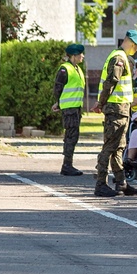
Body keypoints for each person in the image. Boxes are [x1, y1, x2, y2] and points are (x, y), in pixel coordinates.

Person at [91, 30, 137, 198]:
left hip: (120, 108)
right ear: (130, 42)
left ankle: (121, 183)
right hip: (116, 108)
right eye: (136, 47)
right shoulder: (119, 58)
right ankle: (101, 183)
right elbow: (111, 82)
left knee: (119, 147)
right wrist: (101, 102)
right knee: (110, 146)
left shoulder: (120, 57)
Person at [52, 43, 86, 176]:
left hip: (75, 108)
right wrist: (59, 103)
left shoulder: (77, 69)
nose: (82, 56)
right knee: (71, 136)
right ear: (73, 56)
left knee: (73, 135)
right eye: (80, 54)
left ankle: (68, 164)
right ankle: (67, 165)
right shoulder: (65, 69)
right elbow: (58, 88)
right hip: (69, 108)